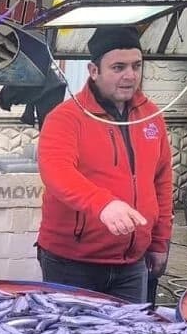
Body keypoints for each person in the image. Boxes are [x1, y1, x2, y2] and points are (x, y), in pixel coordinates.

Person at [35, 26, 173, 304]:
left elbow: (161, 180)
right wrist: (103, 203)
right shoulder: (66, 117)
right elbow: (57, 172)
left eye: (136, 66)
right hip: (72, 263)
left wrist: (159, 242)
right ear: (93, 70)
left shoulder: (151, 117)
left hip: (132, 264)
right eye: (118, 67)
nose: (130, 75)